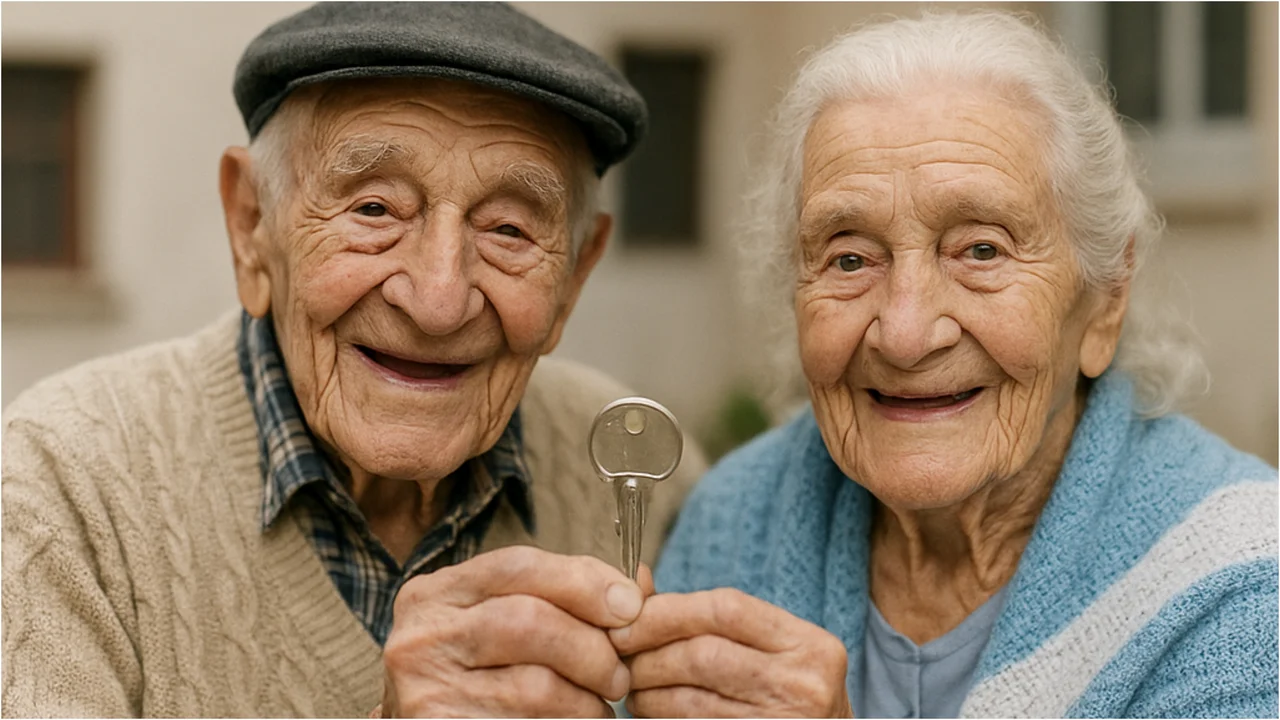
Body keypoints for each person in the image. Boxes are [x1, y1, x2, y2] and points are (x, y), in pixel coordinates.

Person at [1, 3, 705, 717]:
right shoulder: (62, 486)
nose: (438, 299)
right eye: (374, 210)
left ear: (575, 276)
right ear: (250, 225)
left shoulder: (640, 470)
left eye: (508, 228)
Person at [610, 11, 1279, 719]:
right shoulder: (736, 525)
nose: (905, 334)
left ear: (1105, 301)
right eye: (849, 258)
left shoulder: (1237, 581)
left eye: (981, 250)